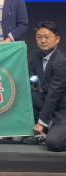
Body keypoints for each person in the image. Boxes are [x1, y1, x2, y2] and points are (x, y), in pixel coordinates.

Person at [27, 21, 66, 151]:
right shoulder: (37, 56)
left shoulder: (61, 62)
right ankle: (45, 130)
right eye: (39, 37)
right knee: (28, 95)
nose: (42, 41)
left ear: (57, 39)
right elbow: (29, 74)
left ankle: (46, 128)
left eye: (47, 37)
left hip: (62, 108)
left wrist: (41, 123)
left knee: (54, 143)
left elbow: (54, 96)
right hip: (50, 103)